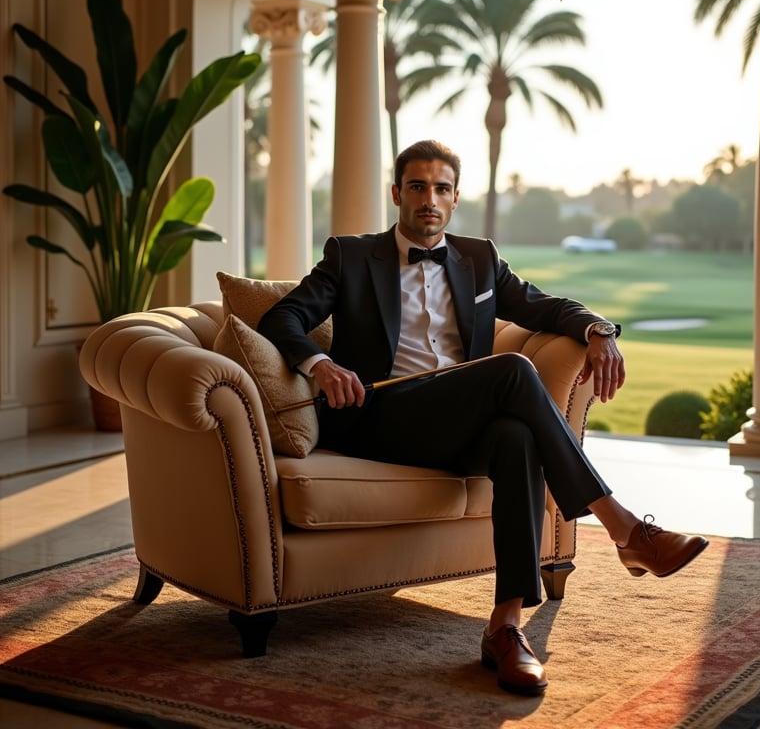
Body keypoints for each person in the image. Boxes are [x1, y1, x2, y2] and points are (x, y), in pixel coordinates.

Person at [258, 139, 708, 696]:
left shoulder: (479, 259)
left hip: (454, 423)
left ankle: (505, 626)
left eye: (441, 188)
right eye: (418, 187)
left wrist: (599, 330)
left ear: (454, 198)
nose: (430, 199)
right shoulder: (351, 256)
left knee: (515, 436)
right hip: (377, 417)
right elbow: (283, 317)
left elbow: (545, 306)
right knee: (514, 371)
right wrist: (321, 364)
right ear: (397, 194)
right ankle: (623, 528)